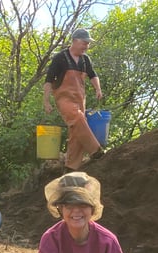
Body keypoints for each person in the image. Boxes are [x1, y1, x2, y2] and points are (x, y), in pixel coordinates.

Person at [43, 28, 105, 172]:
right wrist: (46, 101)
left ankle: (71, 167)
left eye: (88, 44)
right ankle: (95, 151)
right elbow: (48, 80)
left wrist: (98, 89)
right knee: (77, 118)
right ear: (75, 41)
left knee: (76, 132)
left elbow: (93, 75)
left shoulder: (85, 60)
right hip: (64, 99)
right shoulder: (60, 58)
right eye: (85, 43)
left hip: (80, 99)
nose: (87, 46)